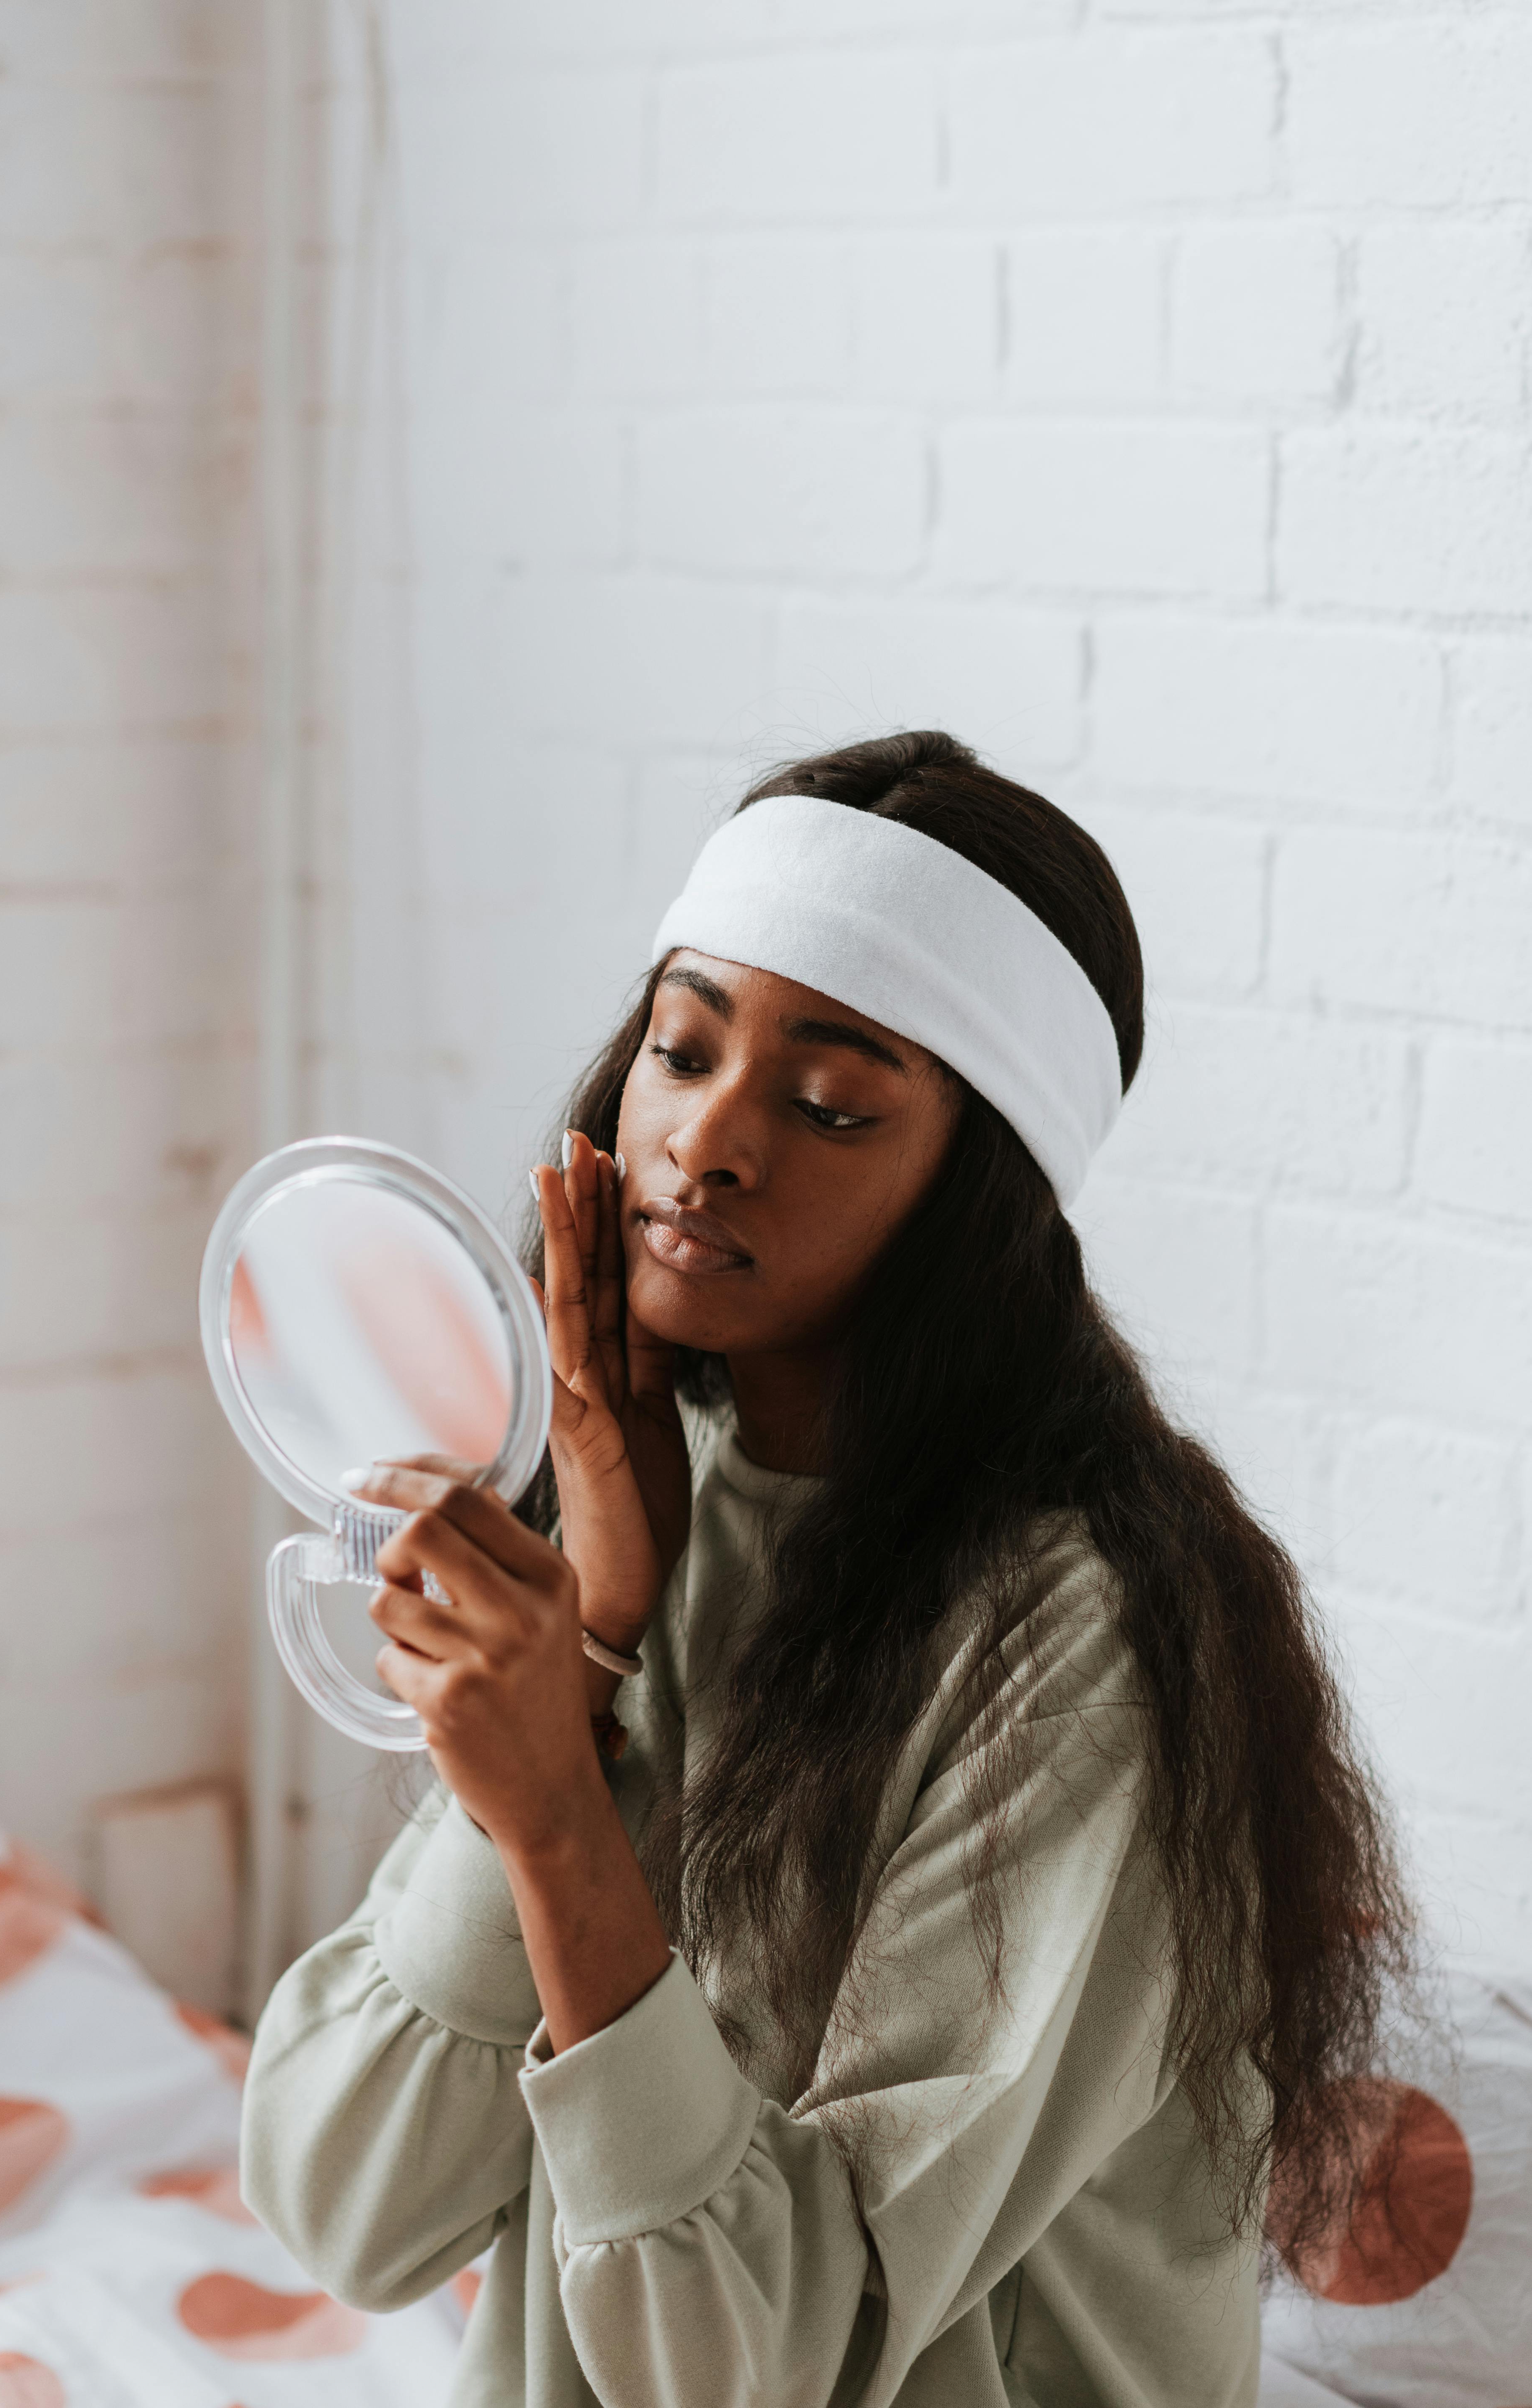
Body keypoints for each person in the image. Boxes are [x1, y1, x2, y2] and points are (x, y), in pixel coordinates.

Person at [240, 732, 1407, 2408]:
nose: (701, 1144)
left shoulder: (1082, 1640)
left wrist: (563, 1811)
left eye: (829, 1103)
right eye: (679, 1046)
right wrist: (589, 1653)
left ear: (974, 1188)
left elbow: (758, 2367)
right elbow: (344, 2206)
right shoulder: (630, 1492)